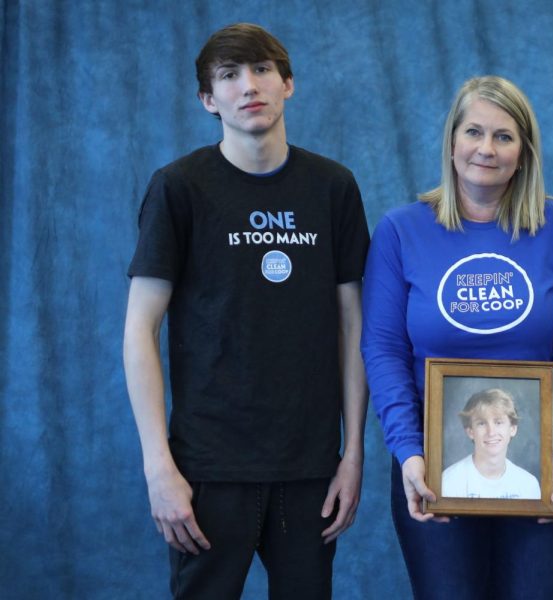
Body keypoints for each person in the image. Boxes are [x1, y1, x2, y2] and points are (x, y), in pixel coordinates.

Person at [122, 23, 369, 599]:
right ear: (208, 100)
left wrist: (353, 452)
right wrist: (158, 465)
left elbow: (353, 324)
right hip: (208, 467)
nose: (248, 86)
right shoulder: (179, 188)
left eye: (261, 70)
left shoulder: (332, 187)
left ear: (288, 84)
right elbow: (139, 328)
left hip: (310, 467)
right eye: (228, 76)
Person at [361, 76, 553, 599]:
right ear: (451, 142)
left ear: (524, 152)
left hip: (542, 469)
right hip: (431, 467)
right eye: (473, 131)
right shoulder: (401, 230)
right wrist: (407, 450)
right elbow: (383, 349)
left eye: (504, 137)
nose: (486, 149)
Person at [442, 388, 541, 500]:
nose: (491, 432)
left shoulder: (528, 485)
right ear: (470, 432)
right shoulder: (448, 483)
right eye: (481, 423)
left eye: (498, 422)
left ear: (513, 429)